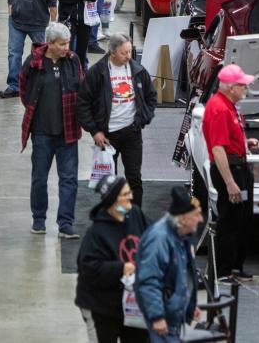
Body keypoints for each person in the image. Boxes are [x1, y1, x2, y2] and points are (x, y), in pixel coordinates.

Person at [19, 22, 85, 238]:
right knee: (39, 177)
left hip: (68, 131)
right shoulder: (34, 62)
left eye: (67, 42)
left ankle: (65, 223)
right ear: (50, 44)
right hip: (41, 133)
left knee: (69, 179)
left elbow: (81, 89)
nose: (67, 47)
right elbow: (23, 90)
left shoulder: (73, 60)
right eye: (62, 44)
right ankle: (39, 220)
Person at [78, 33, 157, 208]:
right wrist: (94, 131)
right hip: (106, 137)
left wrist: (143, 118)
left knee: (134, 178)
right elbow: (83, 103)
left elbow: (151, 97)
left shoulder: (137, 70)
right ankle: (111, 218)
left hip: (132, 133)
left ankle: (135, 216)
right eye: (124, 53)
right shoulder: (97, 72)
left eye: (130, 51)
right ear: (112, 52)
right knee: (109, 182)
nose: (128, 56)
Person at [201, 64, 259, 282]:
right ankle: (224, 271)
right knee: (230, 220)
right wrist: (229, 183)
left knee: (241, 219)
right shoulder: (218, 108)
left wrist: (245, 144)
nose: (246, 88)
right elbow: (217, 149)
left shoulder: (229, 106)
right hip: (231, 171)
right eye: (243, 85)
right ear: (231, 87)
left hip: (239, 168)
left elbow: (228, 140)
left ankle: (234, 267)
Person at [75, 175, 150, 343]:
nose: (130, 196)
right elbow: (89, 268)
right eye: (125, 194)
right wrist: (121, 268)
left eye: (129, 192)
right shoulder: (97, 233)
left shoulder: (135, 214)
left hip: (129, 303)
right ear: (112, 201)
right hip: (99, 305)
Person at [135, 186, 203, 343]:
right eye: (197, 214)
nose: (200, 219)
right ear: (184, 218)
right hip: (163, 317)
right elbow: (149, 281)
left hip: (172, 315)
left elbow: (181, 276)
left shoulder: (180, 236)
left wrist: (188, 305)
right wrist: (157, 316)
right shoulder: (159, 239)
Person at [1, 0, 58, 98]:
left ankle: (44, 84)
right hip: (17, 22)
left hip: (39, 23)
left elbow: (52, 0)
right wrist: (11, 10)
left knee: (43, 55)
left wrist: (52, 24)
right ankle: (14, 86)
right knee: (14, 54)